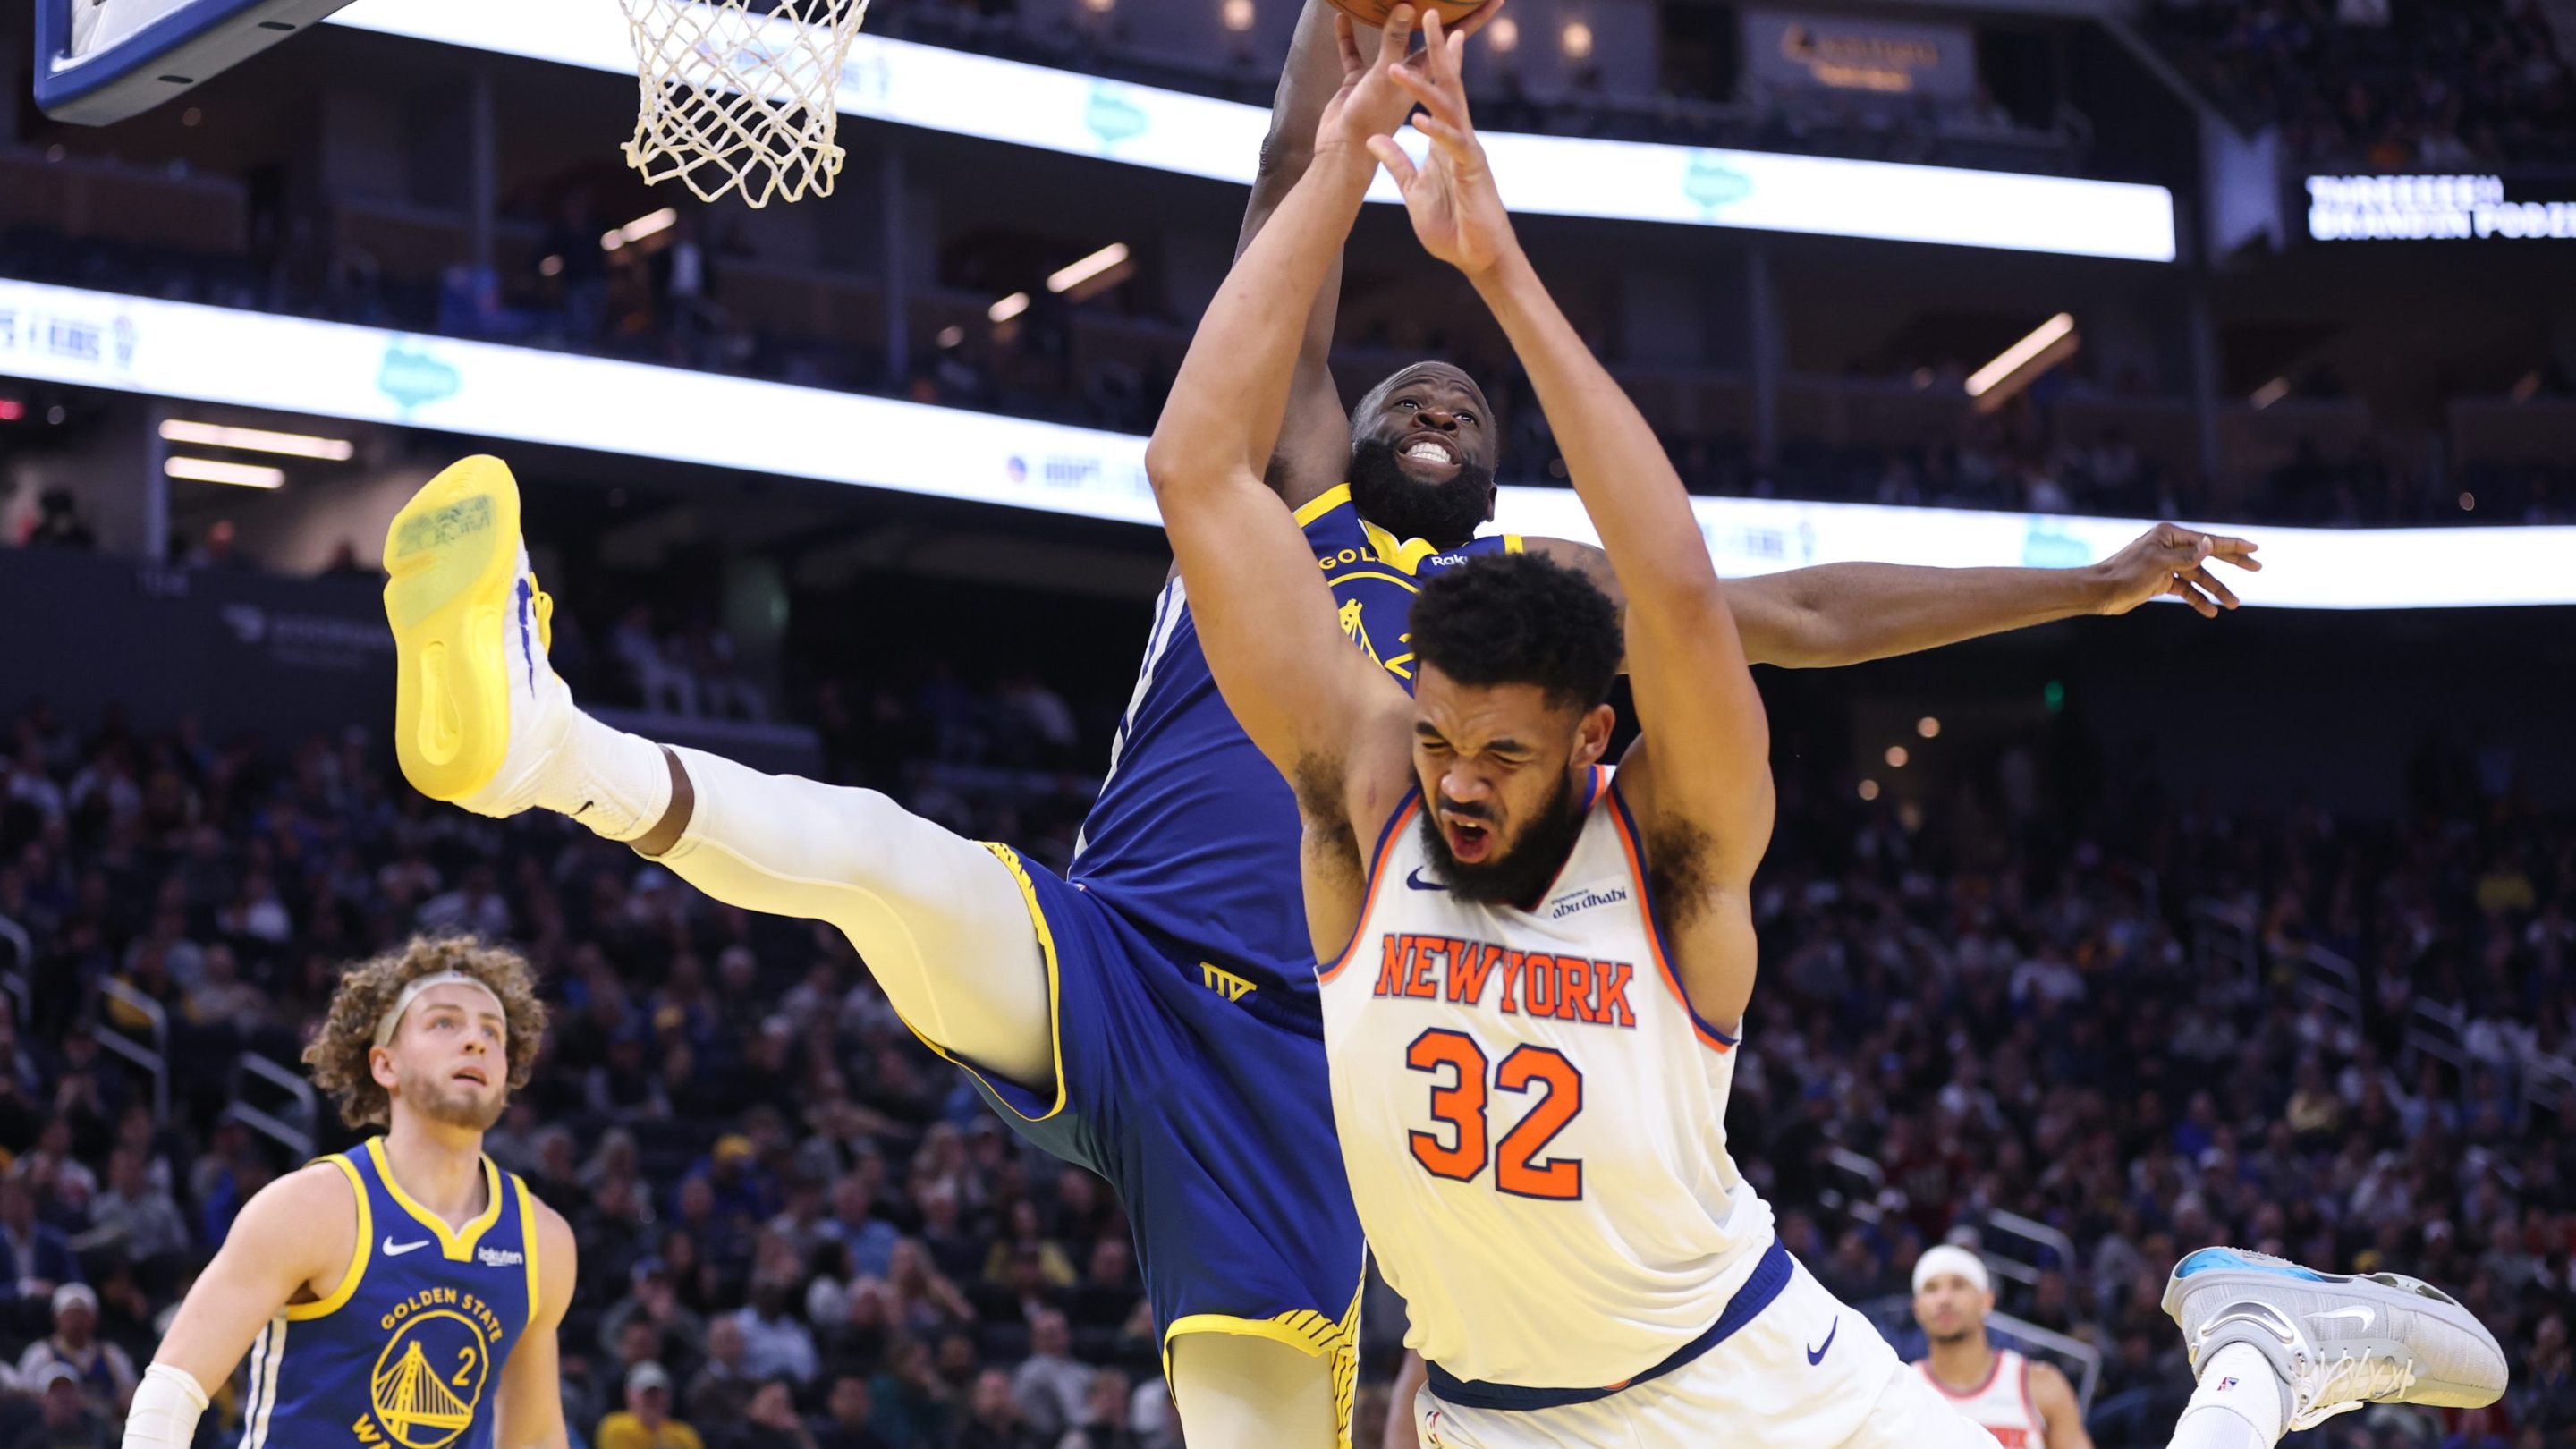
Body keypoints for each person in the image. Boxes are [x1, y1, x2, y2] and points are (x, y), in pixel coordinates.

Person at [377, 34, 2253, 1449]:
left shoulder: (1542, 604)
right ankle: (538, 738)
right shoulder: (1283, 513)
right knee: (879, 857)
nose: (1428, 389)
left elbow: (1804, 614)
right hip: (1116, 963)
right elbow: (1291, 187)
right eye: (1396, 378)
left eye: (1461, 389)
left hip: (1340, 1092)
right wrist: (1342, 31)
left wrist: (2081, 590)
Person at [1141, 12, 2506, 1449]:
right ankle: (2256, 1363)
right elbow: (1190, 466)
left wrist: (1500, 266)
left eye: (1503, 758)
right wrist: (1349, 142)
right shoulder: (1368, 774)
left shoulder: (1668, 833)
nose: (1460, 788)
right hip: (1500, 1416)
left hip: (1755, 1387)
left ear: (1597, 735)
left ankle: (2255, 1360)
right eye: (1443, 748)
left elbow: (1719, 598)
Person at [115, 938, 576, 1449]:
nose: (476, 1041)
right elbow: (172, 1391)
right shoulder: (310, 1207)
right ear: (385, 1065)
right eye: (445, 1023)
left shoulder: (543, 1241)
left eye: (493, 1031)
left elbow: (534, 1437)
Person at [1909, 1246, 2092, 1449]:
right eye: (1931, 1288)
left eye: (1958, 1285)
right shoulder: (1903, 1390)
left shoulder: (2039, 1384)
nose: (1944, 1299)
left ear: (1986, 1300)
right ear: (1917, 1308)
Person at [597, 1362, 704, 1449]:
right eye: (646, 1394)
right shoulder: (615, 1426)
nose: (653, 1399)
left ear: (669, 1395)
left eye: (658, 1393)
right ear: (629, 1394)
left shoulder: (684, 1433)